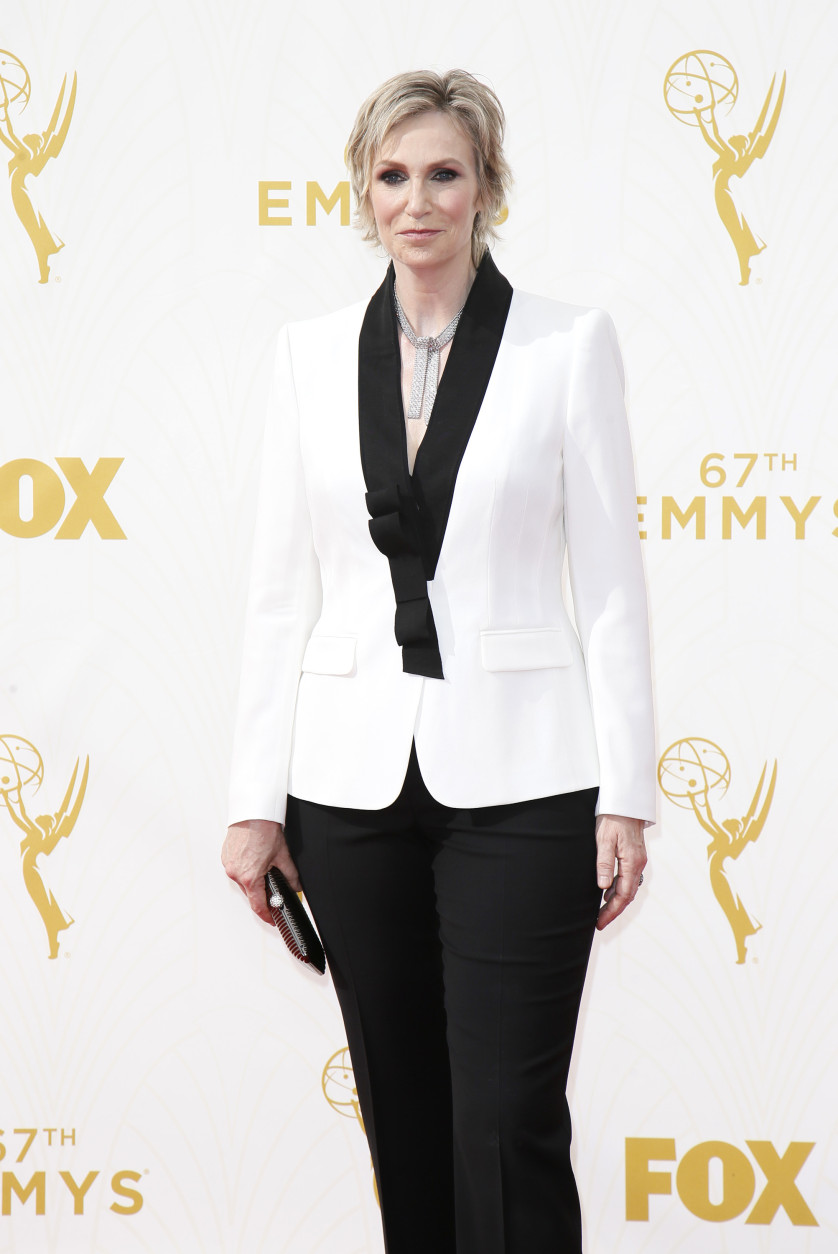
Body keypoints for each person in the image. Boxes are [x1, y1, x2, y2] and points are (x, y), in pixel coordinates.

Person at [222, 68, 655, 1254]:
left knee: (509, 1118)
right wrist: (254, 804)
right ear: (363, 192)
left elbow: (612, 586)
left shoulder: (569, 344)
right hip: (348, 785)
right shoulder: (309, 355)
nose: (418, 201)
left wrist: (628, 791)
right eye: (393, 175)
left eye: (445, 174)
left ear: (486, 187)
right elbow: (279, 596)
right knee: (403, 1120)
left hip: (525, 777)